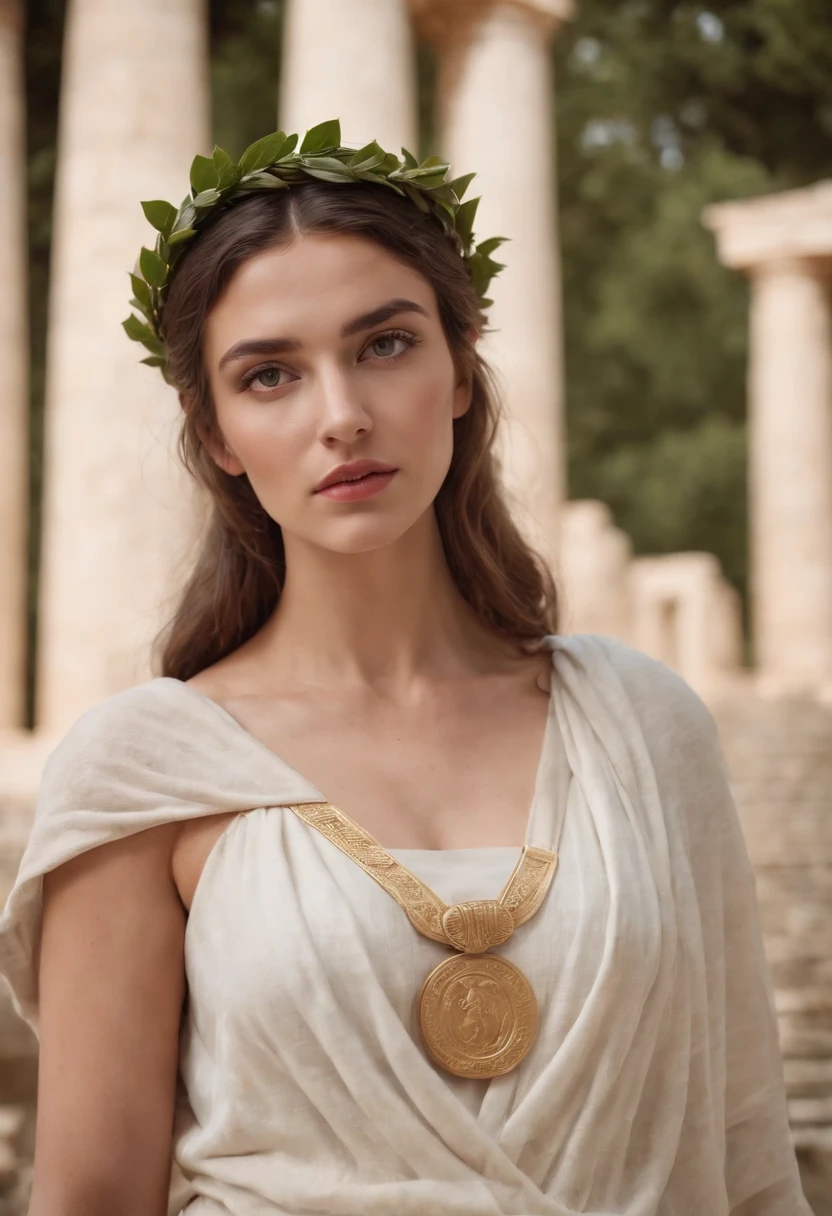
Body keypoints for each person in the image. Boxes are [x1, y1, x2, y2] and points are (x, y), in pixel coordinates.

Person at [0, 121, 810, 1216]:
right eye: (271, 374)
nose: (342, 416)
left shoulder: (643, 722)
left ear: (461, 370)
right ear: (220, 434)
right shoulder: (146, 763)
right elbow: (91, 1198)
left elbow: (747, 1151)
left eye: (383, 344)